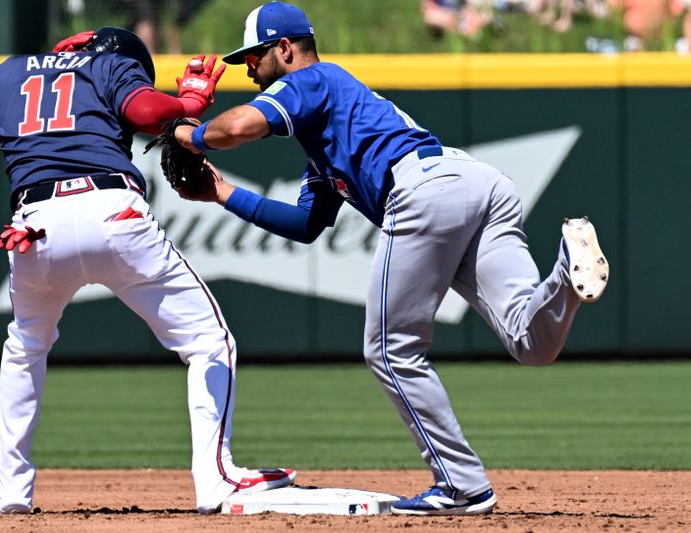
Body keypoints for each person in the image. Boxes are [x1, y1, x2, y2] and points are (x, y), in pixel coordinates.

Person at [171, 1, 609, 516]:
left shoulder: (313, 79)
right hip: (477, 185)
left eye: (254, 57)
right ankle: (565, 269)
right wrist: (223, 195)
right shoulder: (328, 132)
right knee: (531, 342)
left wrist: (189, 131)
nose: (248, 68)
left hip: (425, 190)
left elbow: (240, 126)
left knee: (390, 349)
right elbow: (307, 224)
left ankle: (463, 487)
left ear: (285, 49)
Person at [0, 26, 295, 515]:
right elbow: (144, 111)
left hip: (34, 224)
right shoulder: (108, 64)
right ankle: (214, 480)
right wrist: (186, 104)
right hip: (111, 211)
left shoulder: (7, 73)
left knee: (25, 347)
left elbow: (25, 134)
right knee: (208, 342)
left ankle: (11, 493)